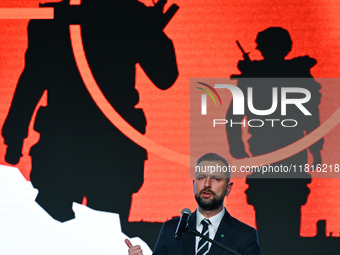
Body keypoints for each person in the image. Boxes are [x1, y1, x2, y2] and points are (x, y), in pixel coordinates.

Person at [1, 0, 178, 248]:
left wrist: (15, 135)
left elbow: (31, 81)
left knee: (56, 237)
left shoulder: (54, 17)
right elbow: (165, 75)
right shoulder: (130, 15)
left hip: (66, 147)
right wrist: (151, 30)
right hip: (108, 150)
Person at [227, 27, 323, 255]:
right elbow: (312, 118)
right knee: (284, 218)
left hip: (269, 154)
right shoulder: (297, 74)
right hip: (284, 154)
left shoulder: (254, 74)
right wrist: (316, 150)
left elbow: (233, 116)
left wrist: (238, 147)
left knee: (271, 220)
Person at [125, 153, 262, 255]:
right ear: (194, 184)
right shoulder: (171, 229)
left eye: (215, 179)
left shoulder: (245, 236)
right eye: (201, 178)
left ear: (228, 188)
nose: (207, 185)